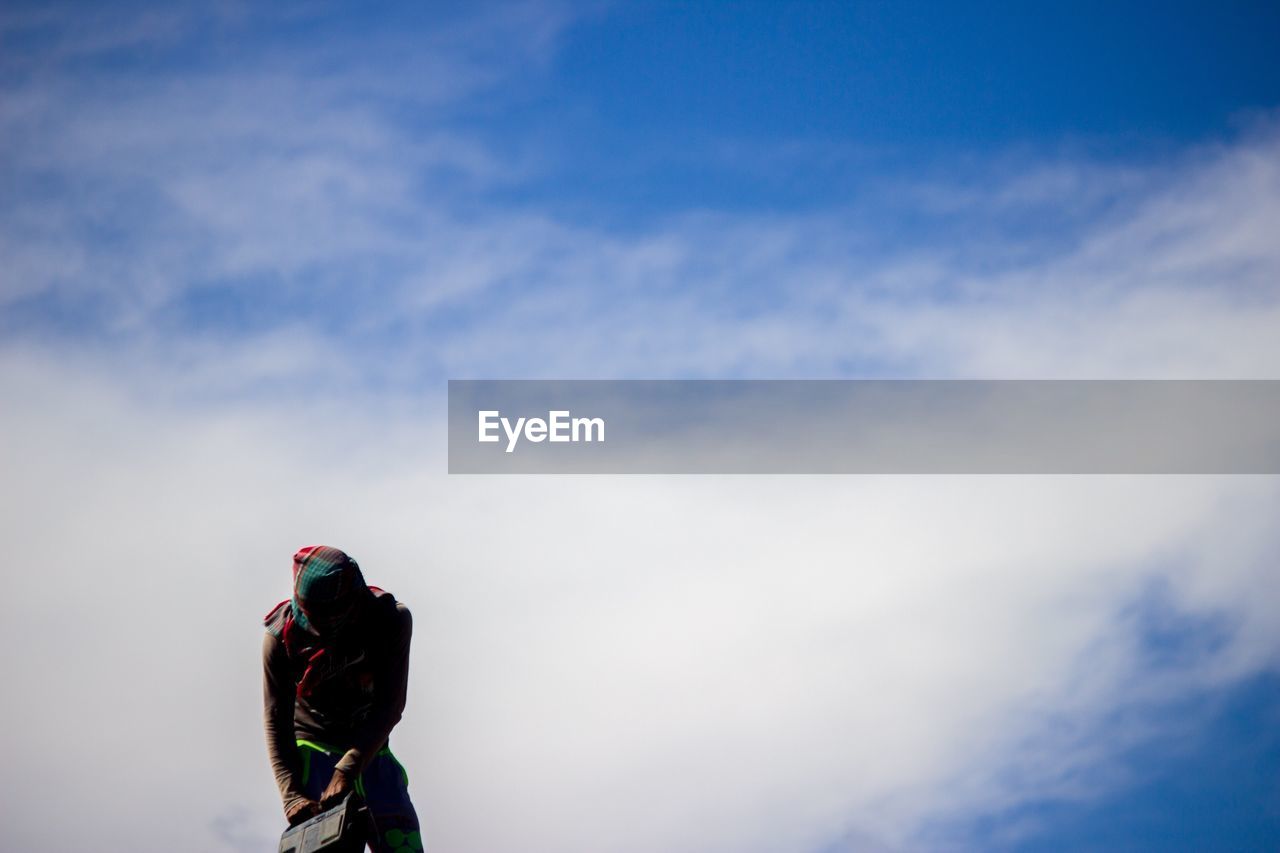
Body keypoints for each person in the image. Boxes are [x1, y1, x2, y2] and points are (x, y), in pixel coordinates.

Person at [263, 545, 423, 853]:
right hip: (314, 750)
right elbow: (275, 719)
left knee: (402, 844)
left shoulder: (390, 620)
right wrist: (292, 795)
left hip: (371, 749)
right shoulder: (281, 638)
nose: (319, 629)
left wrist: (347, 770)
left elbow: (390, 706)